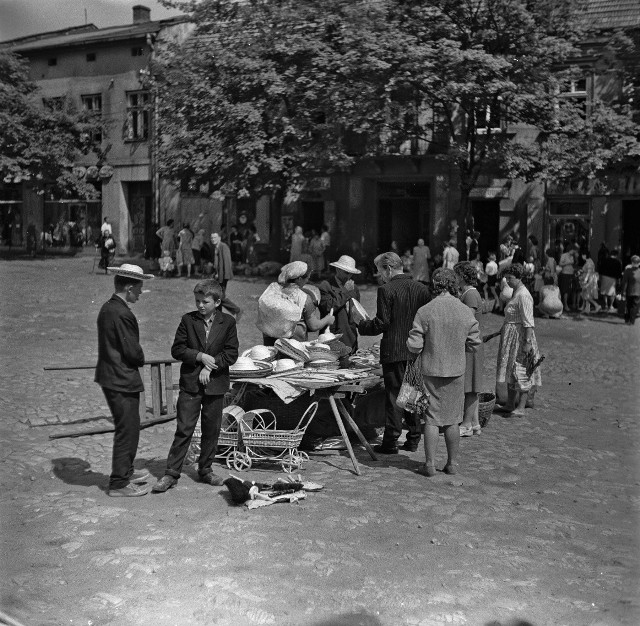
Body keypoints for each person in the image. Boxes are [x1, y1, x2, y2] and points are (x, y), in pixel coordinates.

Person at [152, 280, 239, 493]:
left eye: (205, 301)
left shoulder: (227, 322)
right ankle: (171, 474)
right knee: (184, 429)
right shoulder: (188, 321)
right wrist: (199, 356)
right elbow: (178, 349)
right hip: (190, 386)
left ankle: (206, 470)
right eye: (197, 301)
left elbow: (231, 353)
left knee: (211, 429)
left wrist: (210, 367)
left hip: (215, 385)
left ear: (217, 302)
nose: (200, 305)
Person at [407, 268, 480, 477]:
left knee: (431, 418)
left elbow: (414, 345)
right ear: (453, 285)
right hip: (456, 371)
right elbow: (475, 343)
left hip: (430, 369)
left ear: (434, 284)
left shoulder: (426, 310)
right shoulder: (465, 310)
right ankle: (452, 464)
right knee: (453, 419)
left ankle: (429, 464)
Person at [358, 252, 430, 453]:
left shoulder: (386, 290)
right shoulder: (421, 289)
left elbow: (382, 323)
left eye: (380, 271)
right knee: (412, 394)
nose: (379, 276)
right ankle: (414, 438)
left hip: (395, 349)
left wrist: (363, 325)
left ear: (388, 269)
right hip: (415, 349)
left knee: (394, 396)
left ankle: (390, 441)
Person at [95, 264, 154, 497]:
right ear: (129, 288)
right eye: (139, 289)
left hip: (112, 375)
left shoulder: (108, 308)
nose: (140, 293)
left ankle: (126, 471)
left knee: (129, 427)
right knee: (127, 430)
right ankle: (119, 483)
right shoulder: (122, 313)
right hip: (120, 378)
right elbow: (132, 352)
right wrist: (141, 356)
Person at [495, 263, 542, 416]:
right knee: (510, 370)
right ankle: (509, 403)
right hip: (510, 337)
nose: (507, 281)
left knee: (521, 370)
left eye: (510, 278)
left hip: (520, 338)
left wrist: (527, 343)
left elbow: (529, 322)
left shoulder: (523, 295)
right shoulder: (515, 292)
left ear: (519, 277)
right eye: (506, 278)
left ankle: (521, 406)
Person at [257, 261, 335, 345]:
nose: (308, 280)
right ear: (299, 279)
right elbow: (314, 326)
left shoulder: (273, 290)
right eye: (307, 278)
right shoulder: (303, 298)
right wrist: (327, 320)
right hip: (293, 346)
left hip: (270, 343)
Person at [454, 262, 485, 437]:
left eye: (456, 275)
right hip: (470, 344)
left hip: (471, 345)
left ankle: (466, 423)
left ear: (463, 276)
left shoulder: (471, 294)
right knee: (471, 384)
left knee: (471, 386)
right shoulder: (466, 293)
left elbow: (467, 319)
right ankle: (474, 422)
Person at [319, 255, 362, 352]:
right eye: (346, 273)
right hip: (332, 337)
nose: (349, 276)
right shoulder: (325, 286)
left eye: (351, 274)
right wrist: (346, 292)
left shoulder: (354, 288)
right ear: (338, 269)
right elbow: (328, 307)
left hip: (351, 336)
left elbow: (357, 312)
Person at [201, 233, 242, 320]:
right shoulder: (216, 247)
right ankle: (218, 316)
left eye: (215, 237)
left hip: (223, 276)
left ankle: (237, 310)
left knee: (220, 296)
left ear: (219, 238)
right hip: (218, 275)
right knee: (218, 296)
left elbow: (227, 262)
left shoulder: (224, 246)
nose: (213, 239)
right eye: (211, 238)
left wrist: (223, 275)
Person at [621, 255, 640, 325]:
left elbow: (624, 282)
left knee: (629, 306)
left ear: (632, 262)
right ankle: (632, 321)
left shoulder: (627, 271)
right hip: (638, 292)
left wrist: (623, 291)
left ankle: (629, 320)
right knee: (635, 307)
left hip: (629, 291)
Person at [558, 243, 575, 312]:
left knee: (569, 290)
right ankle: (565, 305)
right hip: (565, 274)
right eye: (573, 250)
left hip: (571, 274)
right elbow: (560, 264)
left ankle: (567, 303)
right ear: (570, 249)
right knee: (565, 290)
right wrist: (567, 263)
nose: (574, 252)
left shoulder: (572, 256)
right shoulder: (564, 255)